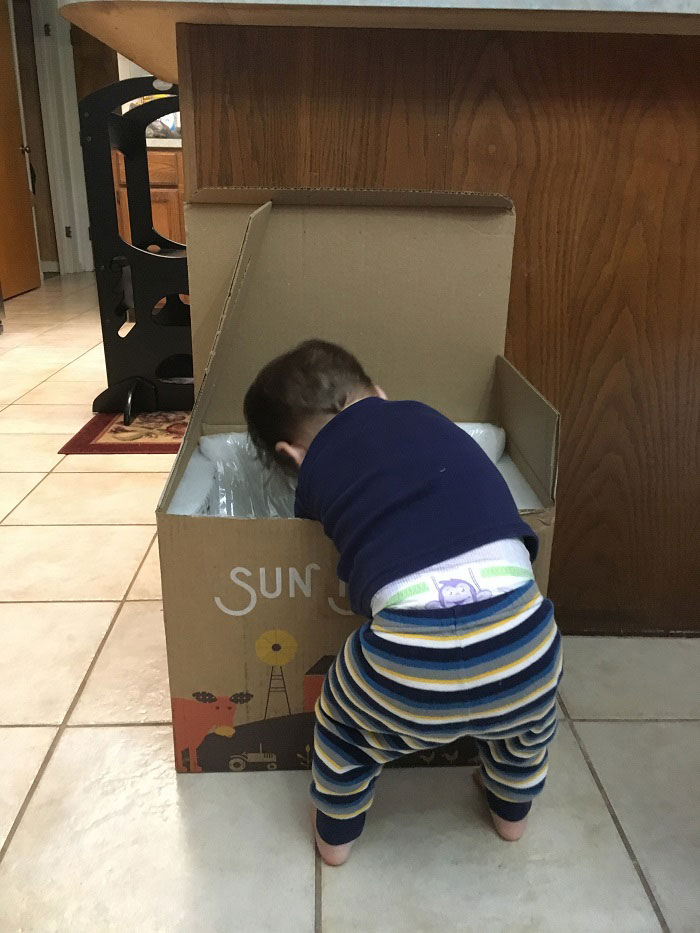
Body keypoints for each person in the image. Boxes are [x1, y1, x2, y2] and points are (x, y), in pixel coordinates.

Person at [244, 339, 563, 867]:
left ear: (291, 456)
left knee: (345, 725)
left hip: (407, 669)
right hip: (526, 646)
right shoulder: (432, 418)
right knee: (528, 728)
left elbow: (309, 528)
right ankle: (511, 816)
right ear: (380, 393)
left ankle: (336, 840)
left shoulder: (316, 468)